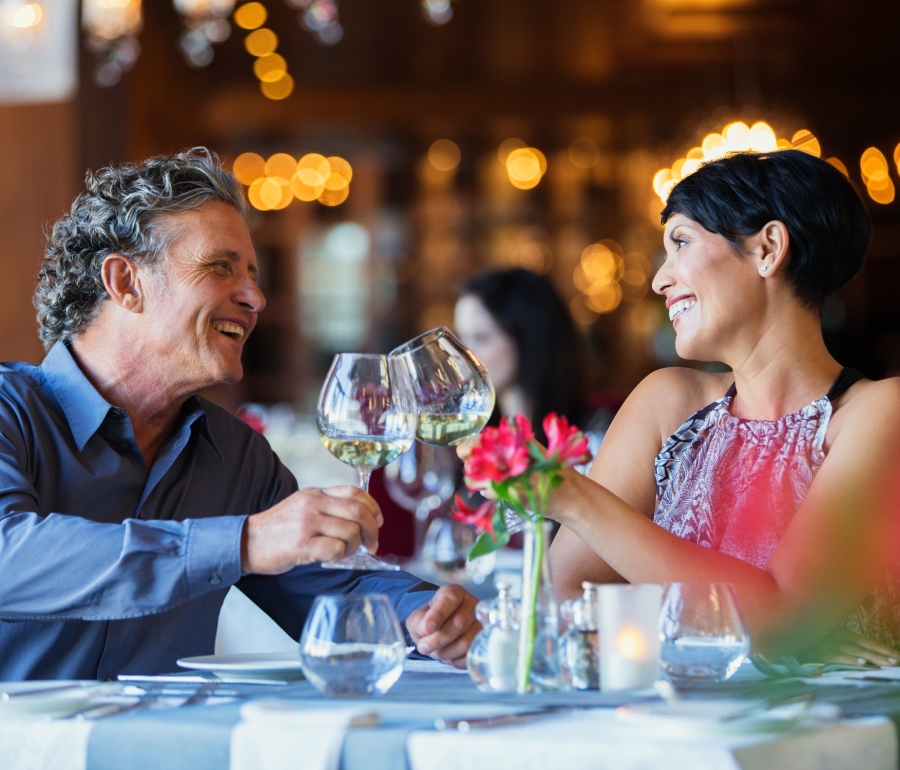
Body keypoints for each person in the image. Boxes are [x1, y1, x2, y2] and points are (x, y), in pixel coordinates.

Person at [0, 148, 477, 681]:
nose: (255, 297)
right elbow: (9, 554)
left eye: (252, 274)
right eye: (220, 268)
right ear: (126, 283)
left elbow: (330, 586)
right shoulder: (9, 413)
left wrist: (425, 616)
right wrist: (243, 542)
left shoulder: (236, 454)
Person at [547, 149, 900, 665]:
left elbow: (784, 618)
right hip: (672, 722)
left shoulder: (878, 412)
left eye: (681, 243)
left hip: (820, 733)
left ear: (768, 248)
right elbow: (574, 591)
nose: (658, 280)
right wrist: (748, 629)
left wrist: (576, 500)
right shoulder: (667, 402)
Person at [454, 268, 605, 451]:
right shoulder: (475, 436)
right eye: (460, 339)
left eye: (481, 337)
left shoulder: (593, 436)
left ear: (528, 339)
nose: (463, 354)